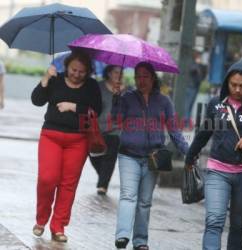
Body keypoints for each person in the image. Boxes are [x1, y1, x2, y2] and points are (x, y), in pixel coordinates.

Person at [185, 59, 242, 250]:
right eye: (233, 84)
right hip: (217, 171)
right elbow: (204, 133)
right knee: (214, 220)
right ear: (227, 82)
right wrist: (190, 157)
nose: (237, 89)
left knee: (238, 224)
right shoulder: (216, 104)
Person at [113, 62, 189, 250]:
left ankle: (140, 241)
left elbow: (174, 130)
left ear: (153, 78)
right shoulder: (127, 98)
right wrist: (116, 98)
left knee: (145, 201)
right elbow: (116, 120)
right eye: (138, 76)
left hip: (153, 158)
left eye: (145, 76)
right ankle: (122, 236)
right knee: (128, 196)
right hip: (128, 156)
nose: (141, 80)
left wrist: (189, 152)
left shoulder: (164, 101)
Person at [31, 51, 102, 242]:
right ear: (67, 66)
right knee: (47, 178)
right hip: (50, 136)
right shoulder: (56, 79)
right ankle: (41, 219)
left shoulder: (92, 86)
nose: (77, 74)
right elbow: (37, 100)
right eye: (73, 70)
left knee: (68, 184)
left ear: (87, 71)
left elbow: (97, 110)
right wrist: (46, 78)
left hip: (78, 140)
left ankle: (58, 226)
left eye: (81, 71)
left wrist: (74, 107)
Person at [89, 65, 127, 195]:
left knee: (110, 157)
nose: (119, 75)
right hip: (96, 129)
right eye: (116, 72)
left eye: (121, 72)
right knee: (94, 156)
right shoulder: (98, 87)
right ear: (109, 73)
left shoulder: (127, 91)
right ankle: (103, 176)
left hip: (116, 130)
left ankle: (103, 185)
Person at [184, 50, 207, 126]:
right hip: (191, 87)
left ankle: (187, 122)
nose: (200, 57)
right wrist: (198, 64)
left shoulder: (196, 64)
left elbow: (202, 75)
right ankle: (186, 123)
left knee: (190, 105)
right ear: (196, 56)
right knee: (188, 105)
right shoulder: (192, 63)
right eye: (199, 56)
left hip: (194, 87)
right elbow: (193, 70)